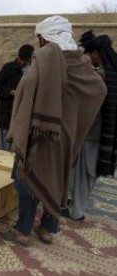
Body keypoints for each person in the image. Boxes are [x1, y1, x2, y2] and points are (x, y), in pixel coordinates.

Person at [1, 15, 106, 247]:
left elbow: (28, 87)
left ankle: (23, 232)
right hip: (66, 136)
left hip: (39, 134)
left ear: (44, 38)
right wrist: (75, 119)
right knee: (58, 179)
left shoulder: (46, 58)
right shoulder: (81, 63)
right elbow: (98, 89)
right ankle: (48, 230)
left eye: (39, 37)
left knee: (27, 180)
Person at [64, 32, 117, 221]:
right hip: (105, 134)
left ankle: (76, 211)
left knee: (84, 174)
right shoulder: (112, 73)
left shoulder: (101, 76)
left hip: (93, 133)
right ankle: (76, 207)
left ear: (96, 54)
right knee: (88, 174)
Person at [0, 44, 35, 151]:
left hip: (22, 114)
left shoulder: (33, 71)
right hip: (6, 113)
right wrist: (11, 92)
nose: (22, 62)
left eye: (25, 61)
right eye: (21, 59)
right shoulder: (8, 68)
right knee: (6, 146)